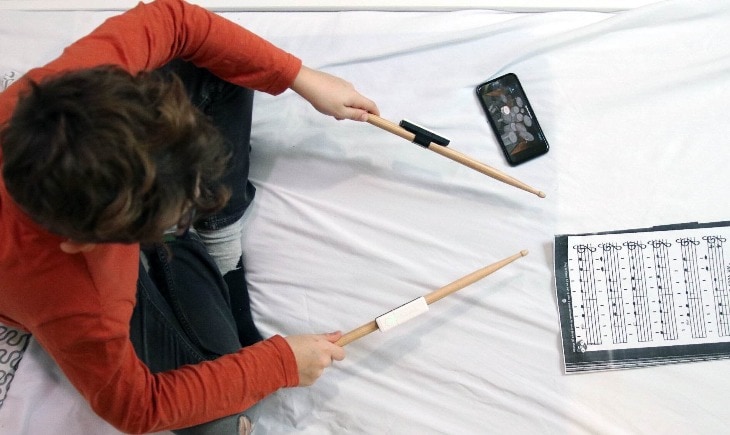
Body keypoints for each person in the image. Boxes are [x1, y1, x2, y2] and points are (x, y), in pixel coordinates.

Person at [0, 0, 379, 434]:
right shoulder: (79, 302)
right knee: (223, 422)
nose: (202, 200)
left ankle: (213, 245)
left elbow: (175, 19)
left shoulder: (73, 86)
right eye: (174, 216)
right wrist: (280, 364)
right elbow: (137, 409)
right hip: (69, 268)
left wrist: (299, 77)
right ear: (87, 241)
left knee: (225, 62)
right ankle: (200, 253)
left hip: (90, 210)